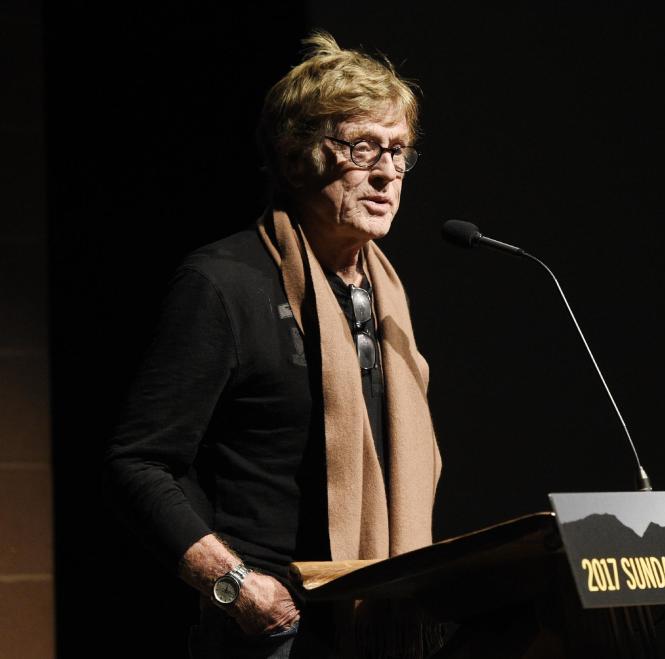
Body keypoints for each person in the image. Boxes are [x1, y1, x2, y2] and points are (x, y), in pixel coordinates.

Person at [103, 31, 442, 658]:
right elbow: (137, 463)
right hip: (272, 629)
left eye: (399, 151)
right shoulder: (222, 283)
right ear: (297, 159)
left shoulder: (386, 293)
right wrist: (235, 586)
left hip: (378, 622)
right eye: (362, 147)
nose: (387, 173)